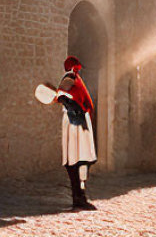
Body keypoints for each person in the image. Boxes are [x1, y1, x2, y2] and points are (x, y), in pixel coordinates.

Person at [56, 55, 97, 210]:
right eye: (76, 67)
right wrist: (68, 102)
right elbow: (60, 95)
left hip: (80, 122)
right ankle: (78, 197)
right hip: (74, 123)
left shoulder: (75, 79)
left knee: (83, 161)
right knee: (75, 161)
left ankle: (80, 196)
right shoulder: (69, 78)